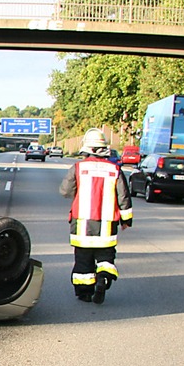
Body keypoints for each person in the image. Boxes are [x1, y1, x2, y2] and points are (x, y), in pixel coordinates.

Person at [59, 128, 133, 304]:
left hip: (82, 221)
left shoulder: (78, 167)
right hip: (107, 223)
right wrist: (126, 219)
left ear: (87, 148)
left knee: (83, 259)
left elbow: (65, 191)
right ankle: (103, 279)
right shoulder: (115, 169)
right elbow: (123, 196)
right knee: (106, 257)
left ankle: (85, 293)